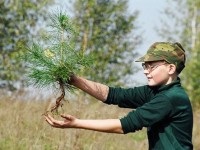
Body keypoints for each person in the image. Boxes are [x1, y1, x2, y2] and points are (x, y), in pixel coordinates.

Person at [44, 42, 193, 150]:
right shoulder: (155, 91)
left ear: (171, 68)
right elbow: (114, 95)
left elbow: (124, 125)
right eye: (145, 66)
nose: (146, 71)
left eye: (152, 66)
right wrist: (73, 79)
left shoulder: (171, 97)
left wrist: (77, 123)